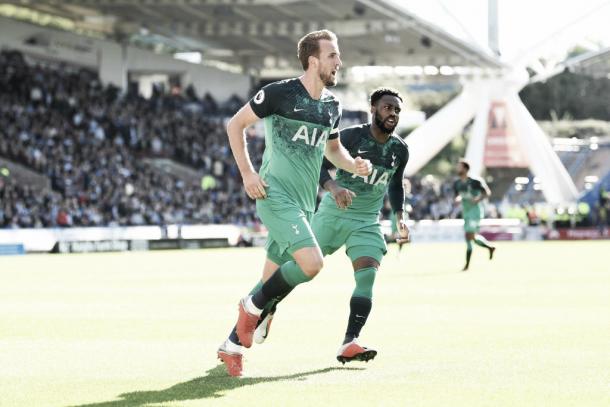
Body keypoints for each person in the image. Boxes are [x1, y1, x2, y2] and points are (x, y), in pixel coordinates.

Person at [218, 29, 372, 377]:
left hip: (305, 205)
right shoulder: (278, 93)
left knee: (269, 291)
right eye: (333, 55)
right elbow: (235, 125)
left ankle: (231, 346)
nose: (339, 62)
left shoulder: (332, 105)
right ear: (313, 60)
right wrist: (248, 173)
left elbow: (333, 152)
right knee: (312, 264)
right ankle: (249, 308)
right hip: (274, 196)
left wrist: (355, 165)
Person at [254, 88, 410, 364]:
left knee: (367, 276)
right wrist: (334, 187)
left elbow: (395, 185)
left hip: (367, 221)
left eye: (397, 110)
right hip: (333, 215)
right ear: (373, 108)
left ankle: (350, 342)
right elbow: (321, 164)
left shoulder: (400, 149)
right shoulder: (350, 136)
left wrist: (400, 216)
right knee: (298, 268)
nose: (393, 114)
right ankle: (261, 306)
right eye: (387, 107)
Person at [453, 159, 495, 271]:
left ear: (465, 169)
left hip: (475, 212)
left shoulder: (475, 181)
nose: (457, 168)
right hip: (466, 212)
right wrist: (458, 199)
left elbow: (487, 192)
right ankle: (490, 247)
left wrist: (478, 199)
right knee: (471, 238)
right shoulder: (457, 183)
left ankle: (466, 266)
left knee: (468, 236)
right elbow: (458, 195)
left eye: (459, 166)